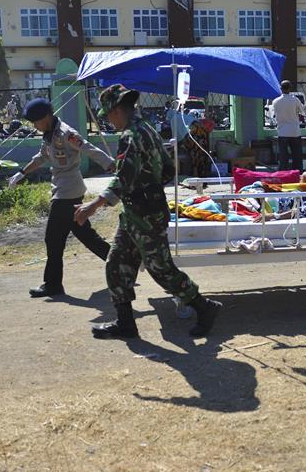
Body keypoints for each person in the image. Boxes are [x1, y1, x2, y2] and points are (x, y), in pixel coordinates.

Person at [73, 85, 222, 340]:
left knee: (161, 268)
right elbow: (167, 168)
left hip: (145, 215)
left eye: (108, 115)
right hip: (137, 212)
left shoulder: (131, 135)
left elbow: (123, 178)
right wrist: (148, 184)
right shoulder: (148, 129)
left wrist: (92, 206)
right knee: (116, 264)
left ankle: (203, 307)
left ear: (118, 110)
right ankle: (125, 323)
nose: (108, 120)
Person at [8, 98, 116, 298]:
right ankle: (122, 266)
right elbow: (42, 157)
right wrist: (22, 173)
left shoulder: (66, 133)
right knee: (85, 235)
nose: (35, 126)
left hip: (68, 192)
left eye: (36, 122)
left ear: (46, 117)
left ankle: (53, 285)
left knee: (53, 239)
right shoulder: (49, 134)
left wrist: (110, 164)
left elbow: (88, 148)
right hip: (62, 189)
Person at [272, 80, 306, 171]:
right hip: (294, 131)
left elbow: (274, 115)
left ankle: (283, 173)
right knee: (297, 155)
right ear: (290, 88)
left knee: (283, 156)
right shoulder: (295, 100)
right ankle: (297, 173)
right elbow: (303, 112)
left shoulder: (275, 101)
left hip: (282, 132)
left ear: (281, 89)